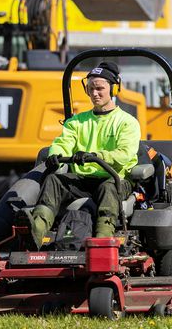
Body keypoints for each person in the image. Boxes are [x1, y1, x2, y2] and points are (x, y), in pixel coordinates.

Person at [19, 61, 141, 250]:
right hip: (82, 179)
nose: (95, 93)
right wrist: (56, 155)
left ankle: (102, 241)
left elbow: (124, 154)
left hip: (114, 179)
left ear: (113, 89)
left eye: (100, 88)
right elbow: (63, 142)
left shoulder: (127, 122)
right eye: (91, 89)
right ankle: (36, 230)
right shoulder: (76, 122)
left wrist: (95, 155)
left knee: (108, 188)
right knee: (54, 180)